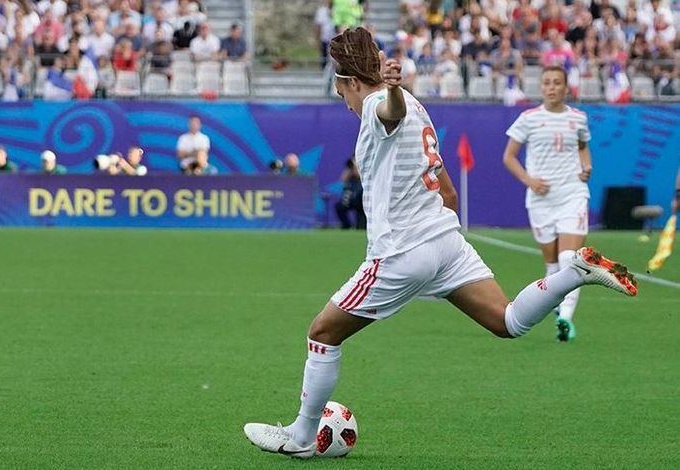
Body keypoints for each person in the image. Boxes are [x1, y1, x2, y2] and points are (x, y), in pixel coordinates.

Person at [242, 27, 637, 459]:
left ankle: (301, 436)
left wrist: (388, 90)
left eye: (343, 93)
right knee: (507, 322)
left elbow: (384, 112)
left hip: (402, 251)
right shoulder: (415, 103)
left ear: (352, 82)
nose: (345, 102)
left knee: (322, 332)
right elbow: (447, 192)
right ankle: (573, 272)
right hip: (444, 240)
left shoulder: (382, 102)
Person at [502, 65, 594, 342]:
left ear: (566, 88)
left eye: (557, 82)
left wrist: (586, 166)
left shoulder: (578, 118)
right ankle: (555, 304)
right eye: (547, 83)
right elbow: (508, 157)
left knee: (570, 259)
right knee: (553, 264)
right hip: (541, 200)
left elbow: (582, 147)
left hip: (572, 194)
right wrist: (529, 181)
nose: (552, 87)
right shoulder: (528, 118)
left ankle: (565, 318)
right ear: (541, 87)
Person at [335, 156, 365, 229]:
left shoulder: (363, 170)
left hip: (361, 200)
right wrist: (349, 168)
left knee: (361, 223)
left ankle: (360, 225)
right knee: (339, 206)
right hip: (351, 199)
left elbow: (360, 175)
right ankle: (346, 225)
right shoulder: (350, 175)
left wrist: (356, 167)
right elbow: (342, 179)